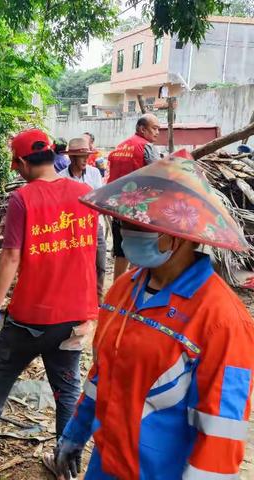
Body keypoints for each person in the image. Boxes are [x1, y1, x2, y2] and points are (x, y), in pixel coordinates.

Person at [55, 151, 254, 480]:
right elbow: (101, 374)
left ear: (175, 236)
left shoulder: (223, 320)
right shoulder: (123, 290)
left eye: (138, 224)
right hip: (105, 465)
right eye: (125, 223)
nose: (127, 231)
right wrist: (76, 432)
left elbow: (221, 433)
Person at [0, 128, 98, 475]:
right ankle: (66, 465)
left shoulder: (23, 198)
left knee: (2, 363)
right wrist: (92, 306)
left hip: (32, 314)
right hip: (75, 315)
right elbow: (95, 253)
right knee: (67, 388)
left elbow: (10, 256)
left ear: (22, 162)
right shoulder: (85, 193)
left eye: (15, 163)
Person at [108, 114, 160, 280]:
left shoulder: (119, 147)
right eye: (154, 128)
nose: (157, 132)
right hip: (138, 209)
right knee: (139, 250)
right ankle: (131, 288)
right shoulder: (147, 147)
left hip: (116, 207)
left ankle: (116, 289)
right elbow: (158, 174)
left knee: (120, 250)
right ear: (142, 129)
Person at [59, 137, 107, 303]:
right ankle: (76, 299)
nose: (86, 159)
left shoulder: (94, 173)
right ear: (72, 157)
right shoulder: (61, 178)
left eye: (87, 155)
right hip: (72, 229)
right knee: (75, 265)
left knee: (100, 263)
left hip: (93, 226)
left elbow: (99, 200)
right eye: (82, 156)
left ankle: (97, 300)